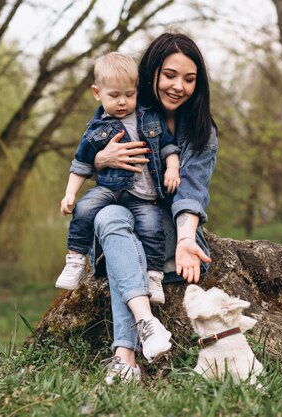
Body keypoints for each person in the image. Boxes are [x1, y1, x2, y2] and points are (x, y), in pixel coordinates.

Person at [89, 33, 218, 384]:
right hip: (125, 213)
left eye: (189, 79)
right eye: (170, 75)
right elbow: (88, 155)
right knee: (107, 217)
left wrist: (186, 239)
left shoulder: (200, 131)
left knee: (122, 251)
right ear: (152, 74)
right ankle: (145, 327)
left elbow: (192, 191)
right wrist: (101, 159)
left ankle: (124, 356)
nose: (178, 86)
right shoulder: (125, 110)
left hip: (167, 230)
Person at [55, 52, 181, 305]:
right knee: (85, 208)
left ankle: (154, 277)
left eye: (129, 95)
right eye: (114, 95)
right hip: (111, 190)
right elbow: (80, 164)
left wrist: (172, 168)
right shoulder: (96, 130)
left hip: (145, 195)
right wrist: (70, 193)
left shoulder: (150, 118)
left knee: (152, 229)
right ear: (97, 92)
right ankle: (76, 259)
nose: (123, 102)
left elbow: (168, 147)